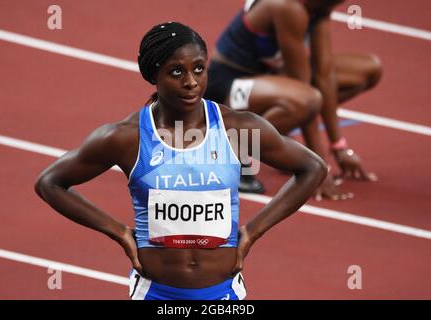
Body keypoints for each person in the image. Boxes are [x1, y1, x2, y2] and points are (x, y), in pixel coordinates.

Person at [34, 22, 327, 300]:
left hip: (224, 293)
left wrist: (252, 232)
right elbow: (50, 183)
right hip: (156, 293)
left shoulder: (238, 129)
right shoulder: (127, 138)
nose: (191, 82)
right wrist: (119, 232)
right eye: (176, 72)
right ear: (153, 75)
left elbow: (312, 168)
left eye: (199, 69)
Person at [204, 0, 382, 199]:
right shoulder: (288, 7)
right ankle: (228, 151)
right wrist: (317, 168)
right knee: (304, 101)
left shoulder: (319, 8)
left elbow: (324, 75)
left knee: (368, 70)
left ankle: (275, 137)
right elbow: (305, 93)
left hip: (268, 80)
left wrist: (339, 147)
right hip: (227, 85)